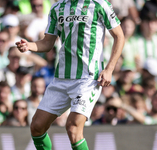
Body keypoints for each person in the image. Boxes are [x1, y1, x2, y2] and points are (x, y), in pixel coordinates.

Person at [16, 0, 125, 149]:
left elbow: (119, 36)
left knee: (73, 128)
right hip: (61, 79)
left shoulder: (99, 4)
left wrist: (109, 69)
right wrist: (29, 46)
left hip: (87, 78)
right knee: (37, 127)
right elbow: (47, 43)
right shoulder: (57, 7)